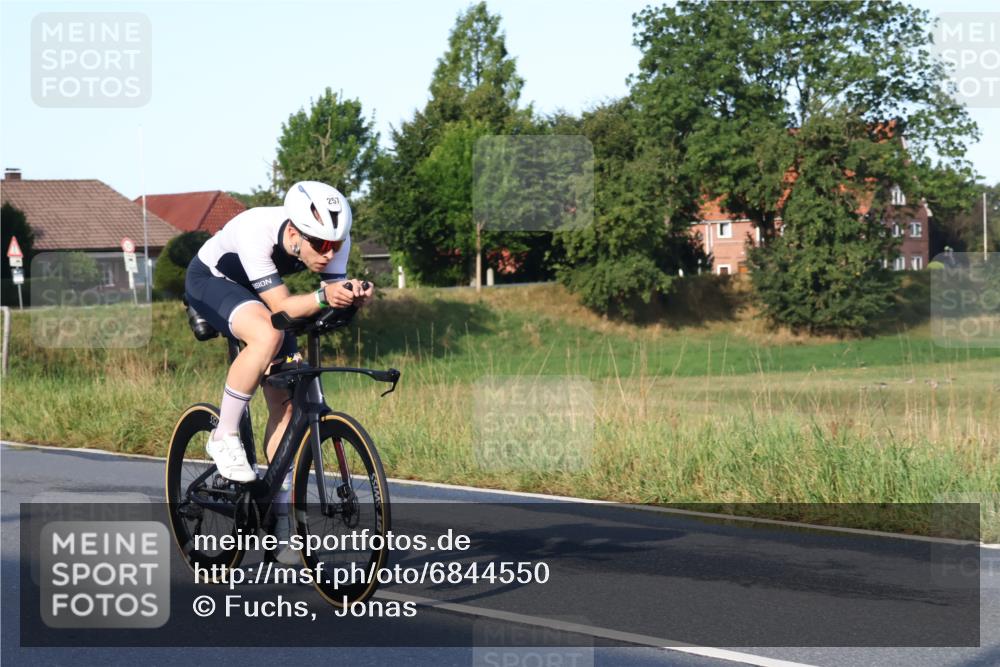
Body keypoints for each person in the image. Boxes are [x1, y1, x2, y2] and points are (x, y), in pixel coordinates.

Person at [184, 180, 373, 482]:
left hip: (259, 290)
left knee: (284, 405)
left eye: (335, 245)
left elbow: (331, 293)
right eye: (322, 245)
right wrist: (323, 296)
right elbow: (282, 308)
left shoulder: (334, 238)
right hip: (212, 280)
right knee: (269, 334)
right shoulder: (257, 230)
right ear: (295, 233)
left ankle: (277, 500)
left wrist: (352, 296)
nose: (329, 254)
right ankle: (223, 435)